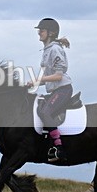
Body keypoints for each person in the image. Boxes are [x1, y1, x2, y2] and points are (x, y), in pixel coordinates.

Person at [27, 18, 73, 163]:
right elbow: (47, 77)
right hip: (54, 91)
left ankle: (59, 148)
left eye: (42, 30)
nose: (39, 33)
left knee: (44, 112)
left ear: (51, 33)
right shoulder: (47, 50)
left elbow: (58, 76)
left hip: (63, 90)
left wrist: (38, 80)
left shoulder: (55, 49)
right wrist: (32, 84)